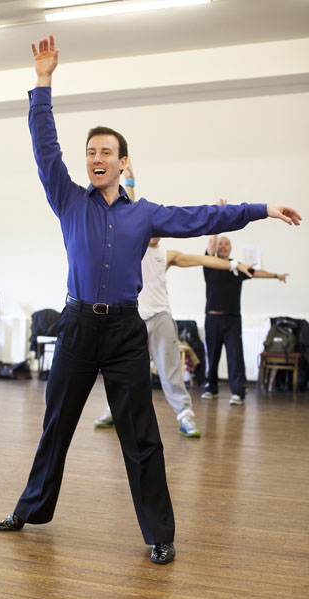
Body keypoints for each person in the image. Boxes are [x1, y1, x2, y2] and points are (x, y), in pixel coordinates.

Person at [0, 34, 301, 565]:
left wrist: (262, 207)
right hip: (76, 327)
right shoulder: (68, 199)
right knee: (56, 427)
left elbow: (204, 215)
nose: (95, 158)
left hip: (123, 333)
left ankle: (159, 533)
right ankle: (30, 510)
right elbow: (45, 146)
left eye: (105, 152)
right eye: (90, 152)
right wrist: (43, 82)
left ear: (122, 162)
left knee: (141, 436)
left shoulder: (145, 214)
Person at [95, 176, 254, 437]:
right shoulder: (134, 248)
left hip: (160, 319)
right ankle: (115, 410)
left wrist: (234, 265)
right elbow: (132, 207)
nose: (155, 233)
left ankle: (185, 415)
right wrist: (130, 178)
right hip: (132, 320)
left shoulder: (167, 256)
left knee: (170, 373)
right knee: (122, 371)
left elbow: (203, 260)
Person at [201, 221, 290, 405]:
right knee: (212, 355)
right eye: (220, 244)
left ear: (231, 248)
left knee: (235, 356)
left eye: (226, 244)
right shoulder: (210, 264)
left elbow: (256, 273)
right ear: (216, 247)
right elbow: (210, 243)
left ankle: (238, 392)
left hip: (233, 319)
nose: (223, 246)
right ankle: (211, 388)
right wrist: (218, 218)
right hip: (212, 318)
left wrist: (276, 276)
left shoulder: (238, 267)